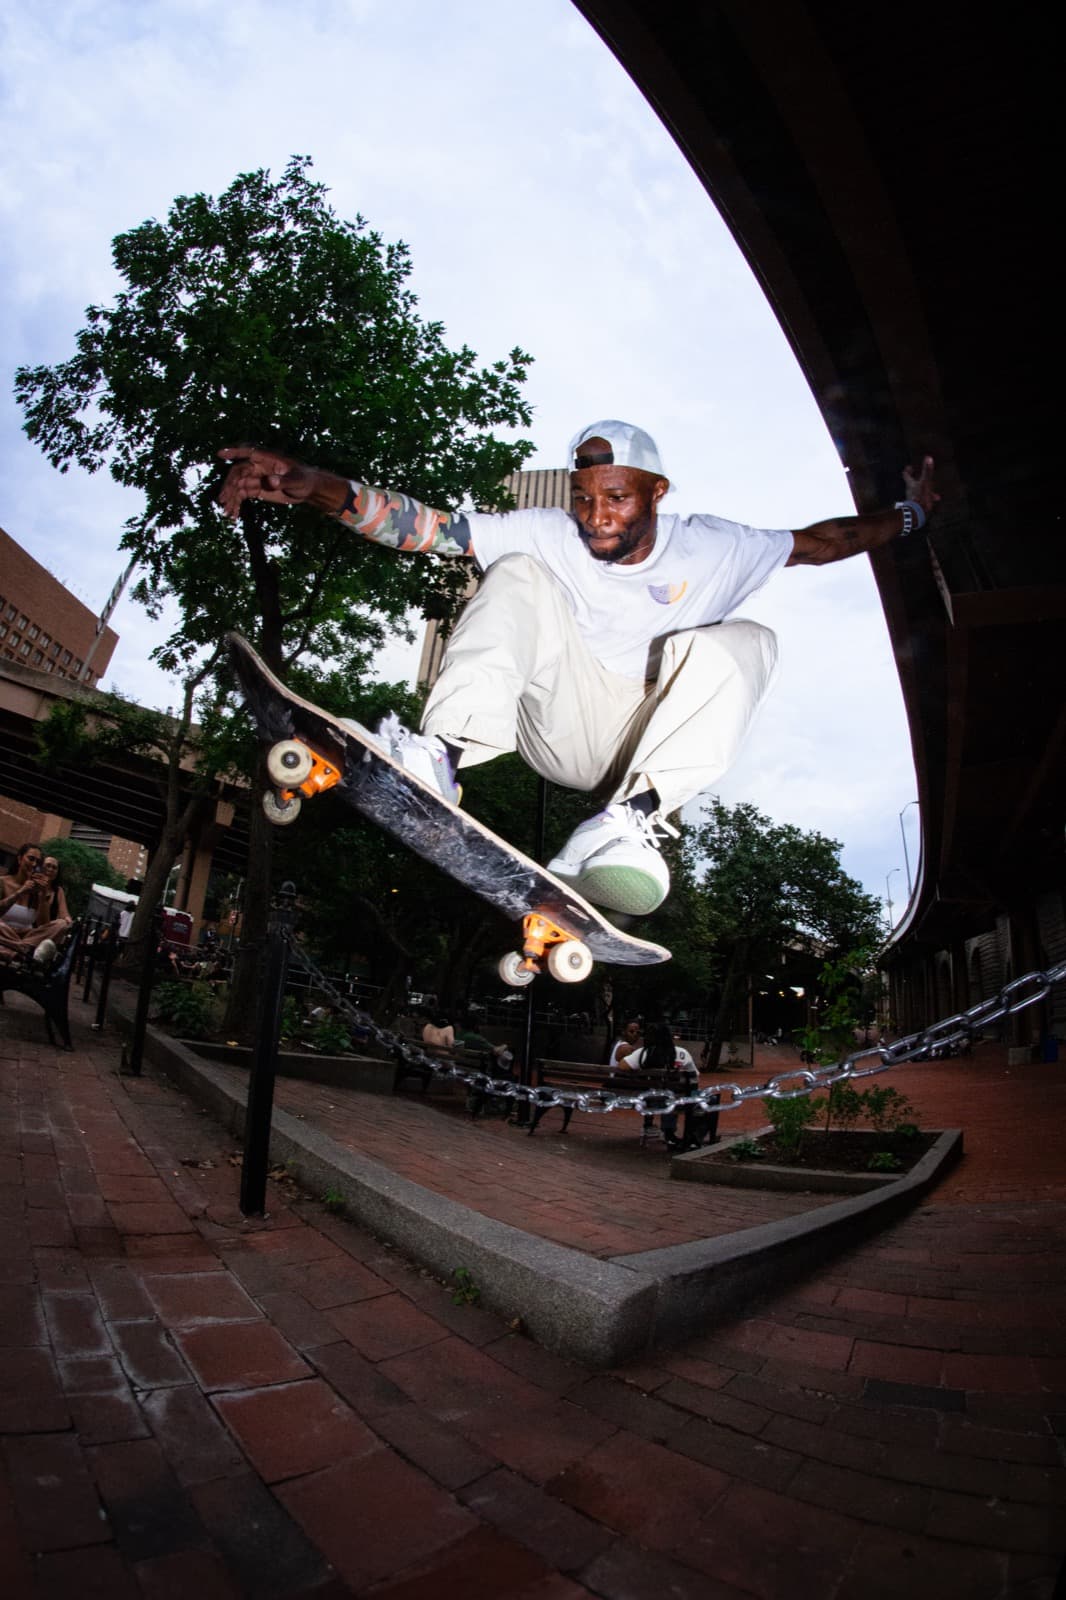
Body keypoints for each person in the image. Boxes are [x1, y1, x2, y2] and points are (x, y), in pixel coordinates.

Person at [218, 423, 938, 914]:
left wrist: (911, 515)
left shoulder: (718, 547)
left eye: (617, 498)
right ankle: (441, 756)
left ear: (657, 492)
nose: (596, 517)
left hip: (643, 739)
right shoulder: (545, 532)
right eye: (585, 499)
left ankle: (629, 821)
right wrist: (316, 487)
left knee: (748, 639)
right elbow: (429, 529)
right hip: (557, 719)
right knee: (520, 573)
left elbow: (824, 542)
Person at [624, 1021, 699, 1148]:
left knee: (666, 1095)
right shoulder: (682, 1053)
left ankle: (652, 1126)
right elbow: (695, 1077)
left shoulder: (642, 1053)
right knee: (708, 1099)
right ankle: (689, 1136)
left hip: (649, 1100)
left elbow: (622, 1066)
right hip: (678, 1101)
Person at [0, 845, 70, 964]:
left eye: (38, 862)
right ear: (19, 859)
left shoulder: (40, 890)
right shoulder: (3, 881)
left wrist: (42, 895)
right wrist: (20, 892)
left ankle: (14, 950)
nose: (33, 864)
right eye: (31, 859)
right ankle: (24, 951)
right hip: (3, 930)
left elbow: (43, 924)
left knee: (61, 924)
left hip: (28, 936)